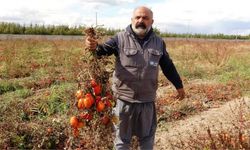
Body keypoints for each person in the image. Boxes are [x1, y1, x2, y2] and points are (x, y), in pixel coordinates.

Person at [85, 6, 185, 150]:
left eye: (145, 18)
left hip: (147, 102)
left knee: (147, 140)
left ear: (152, 21)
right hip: (122, 102)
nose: (141, 21)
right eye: (137, 17)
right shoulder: (119, 39)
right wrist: (93, 46)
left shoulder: (158, 42)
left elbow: (168, 67)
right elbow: (102, 50)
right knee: (121, 140)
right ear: (132, 20)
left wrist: (179, 86)